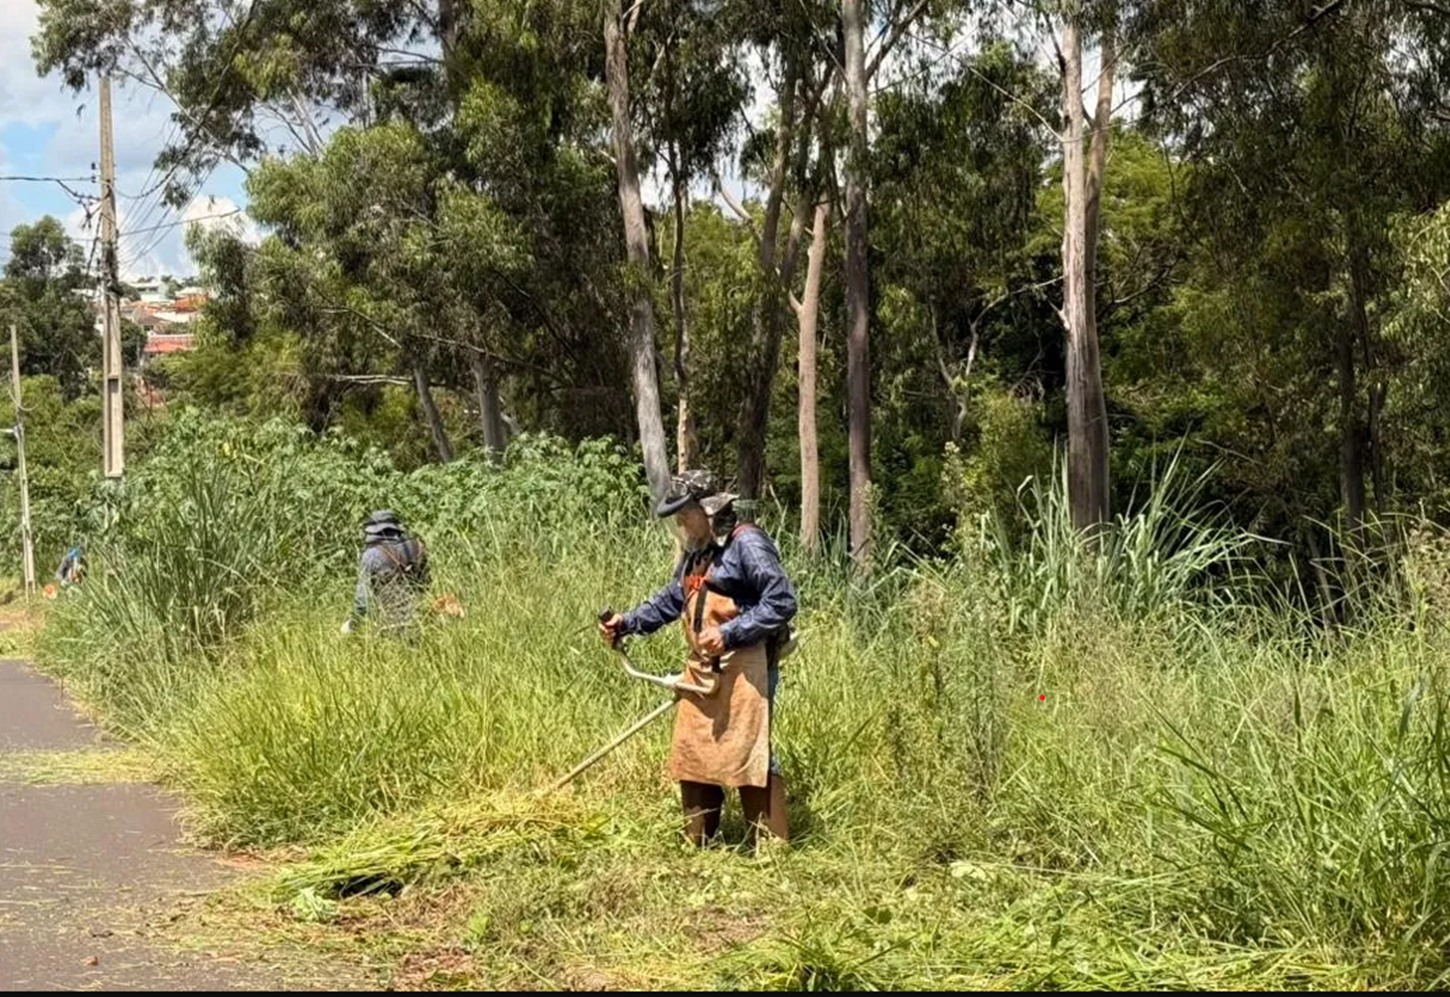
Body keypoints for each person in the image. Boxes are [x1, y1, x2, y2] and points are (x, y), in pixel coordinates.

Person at [600, 470, 797, 846]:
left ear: (707, 510)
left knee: (750, 749)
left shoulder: (748, 544)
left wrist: (727, 633)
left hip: (748, 665)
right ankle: (700, 844)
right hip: (703, 668)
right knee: (693, 750)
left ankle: (772, 847)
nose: (679, 523)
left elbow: (782, 601)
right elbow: (673, 599)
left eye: (684, 513)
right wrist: (628, 623)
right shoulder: (699, 552)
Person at [343, 510, 431, 635]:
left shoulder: (371, 555)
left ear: (373, 531)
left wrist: (353, 623)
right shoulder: (417, 547)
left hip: (389, 625)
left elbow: (363, 600)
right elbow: (426, 585)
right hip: (420, 622)